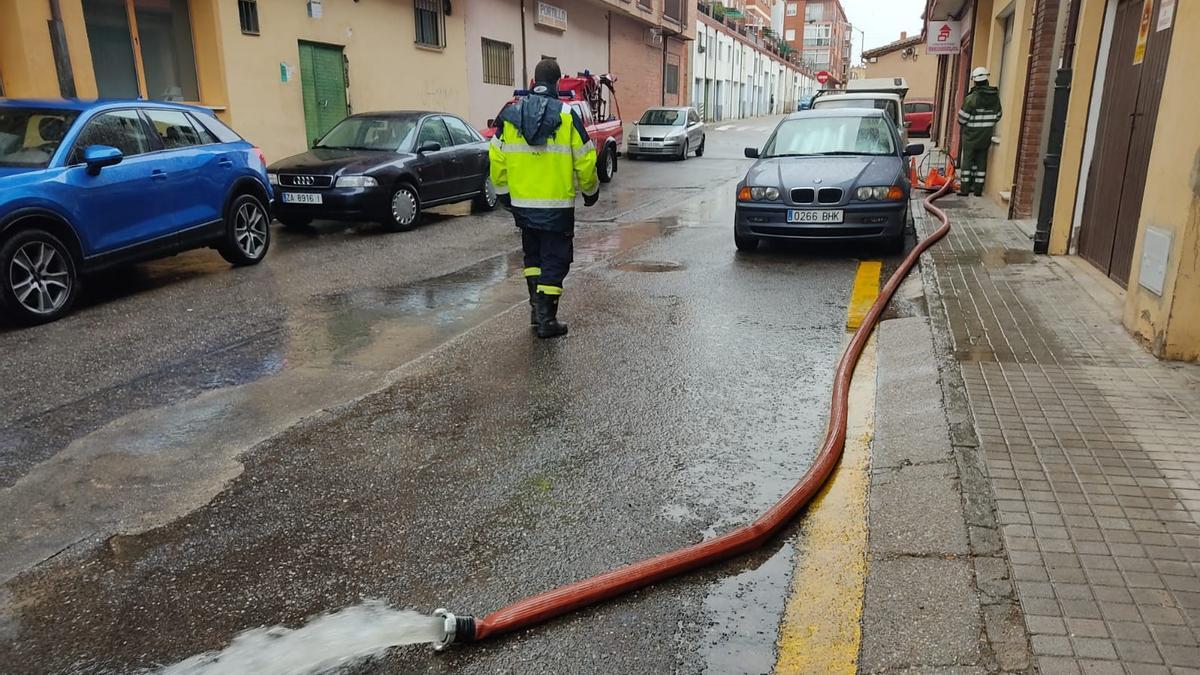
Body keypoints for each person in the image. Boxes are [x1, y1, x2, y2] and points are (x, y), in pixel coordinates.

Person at [490, 59, 599, 339]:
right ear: (558, 83)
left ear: (533, 82)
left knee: (534, 257)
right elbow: (586, 159)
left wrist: (504, 194)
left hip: (523, 205)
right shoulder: (566, 115)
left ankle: (535, 310)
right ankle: (546, 320)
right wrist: (590, 191)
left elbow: (496, 157)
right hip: (556, 206)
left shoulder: (511, 114)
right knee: (556, 259)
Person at [956, 66, 1002, 197]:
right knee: (981, 162)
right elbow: (998, 114)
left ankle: (965, 189)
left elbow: (962, 118)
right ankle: (978, 190)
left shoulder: (972, 98)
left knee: (968, 162)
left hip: (971, 136)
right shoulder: (995, 97)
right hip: (986, 136)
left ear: (975, 81)